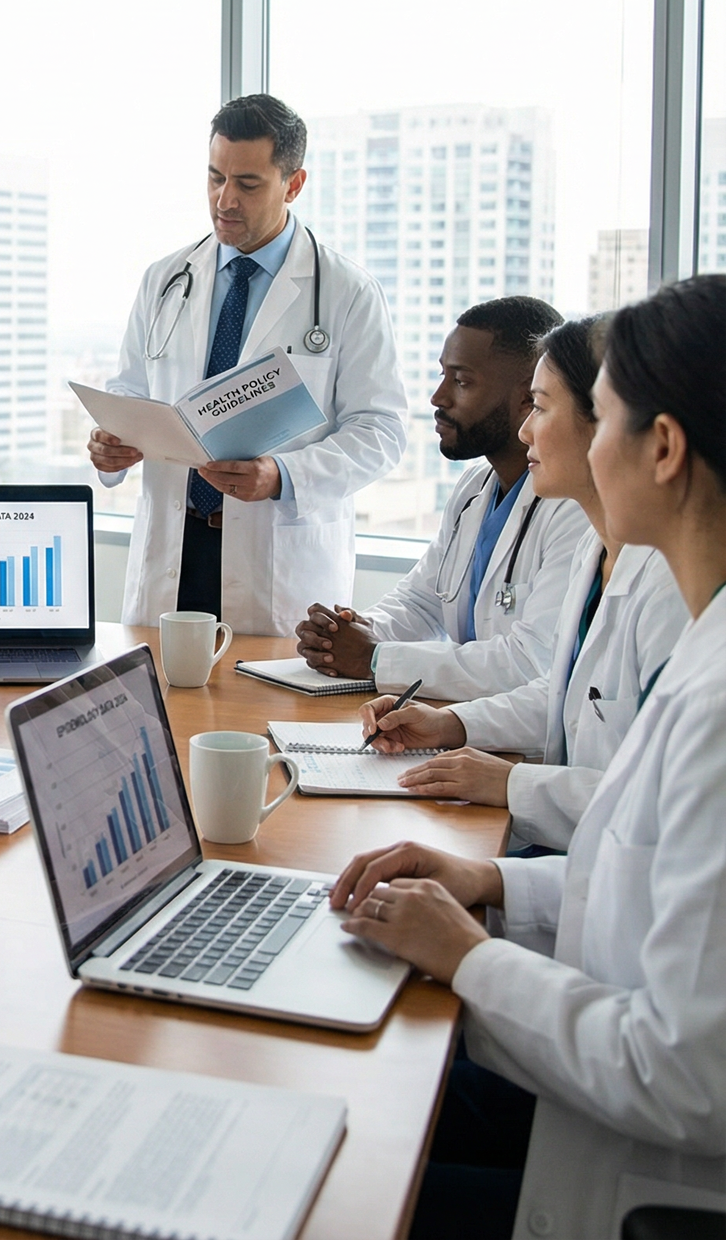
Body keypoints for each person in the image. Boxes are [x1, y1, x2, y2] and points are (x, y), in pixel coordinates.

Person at [330, 274, 726, 1240]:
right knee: (345, 1102)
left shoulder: (716, 698)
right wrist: (492, 881)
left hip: (645, 1186)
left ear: (662, 448)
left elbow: (686, 1074)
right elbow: (636, 876)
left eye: (595, 417)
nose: (542, 434)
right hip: (595, 1096)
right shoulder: (702, 640)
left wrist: (468, 955)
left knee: (329, 1177)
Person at [362, 316, 688, 850]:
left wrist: (512, 784)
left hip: (598, 864)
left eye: (540, 406)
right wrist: (449, 724)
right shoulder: (595, 554)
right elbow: (563, 697)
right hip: (572, 859)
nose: (524, 431)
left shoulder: (671, 594)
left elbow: (659, 822)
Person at [88, 94, 406, 634]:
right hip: (174, 546)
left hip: (277, 560)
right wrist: (111, 444)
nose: (225, 199)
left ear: (294, 184)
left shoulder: (347, 292)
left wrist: (283, 476)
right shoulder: (164, 279)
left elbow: (382, 431)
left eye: (248, 184)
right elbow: (130, 392)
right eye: (215, 178)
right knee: (160, 685)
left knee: (264, 690)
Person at [296, 297, 587, 700]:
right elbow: (422, 603)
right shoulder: (475, 488)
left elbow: (530, 664)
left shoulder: (572, 509)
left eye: (461, 381)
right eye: (442, 375)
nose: (438, 398)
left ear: (527, 398)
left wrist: (374, 658)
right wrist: (349, 632)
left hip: (512, 730)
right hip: (457, 718)